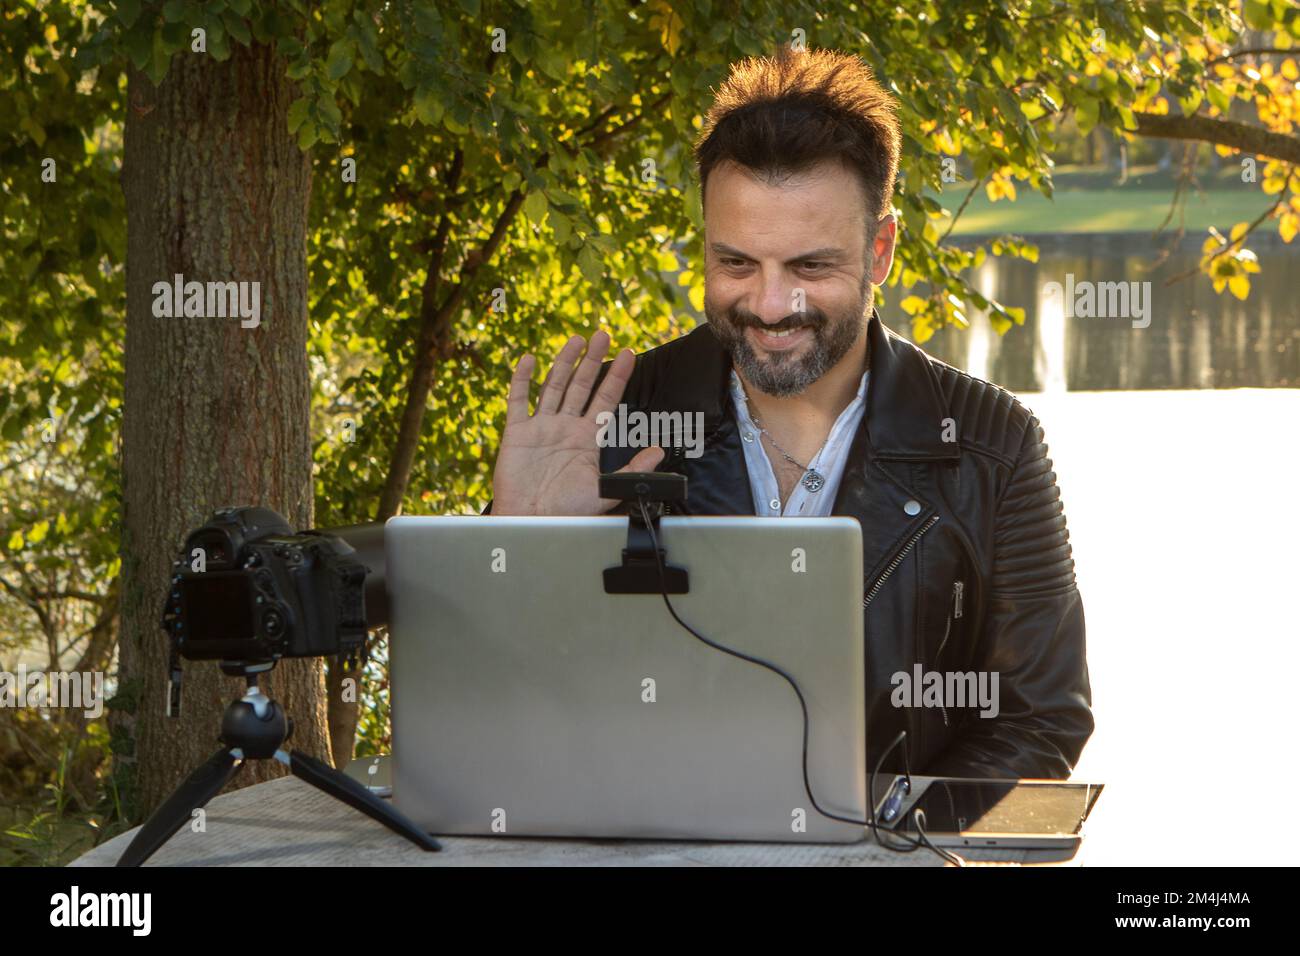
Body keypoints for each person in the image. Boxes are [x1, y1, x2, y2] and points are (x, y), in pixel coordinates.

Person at [486, 47, 1093, 778]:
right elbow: (495, 715)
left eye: (810, 267)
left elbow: (1041, 724)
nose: (771, 306)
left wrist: (874, 843)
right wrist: (516, 554)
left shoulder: (993, 444)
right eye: (736, 264)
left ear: (881, 249)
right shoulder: (603, 428)